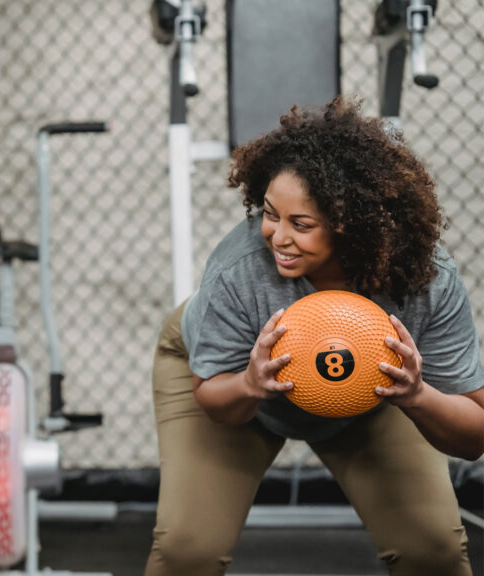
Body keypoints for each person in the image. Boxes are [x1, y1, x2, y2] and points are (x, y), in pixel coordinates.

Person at [145, 97, 484, 576]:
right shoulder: (241, 270)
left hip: (377, 399)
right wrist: (249, 385)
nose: (276, 236)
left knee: (435, 552)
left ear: (353, 227)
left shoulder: (423, 279)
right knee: (187, 552)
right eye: (268, 213)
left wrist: (417, 394)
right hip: (230, 387)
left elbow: (474, 436)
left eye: (300, 224)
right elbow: (212, 395)